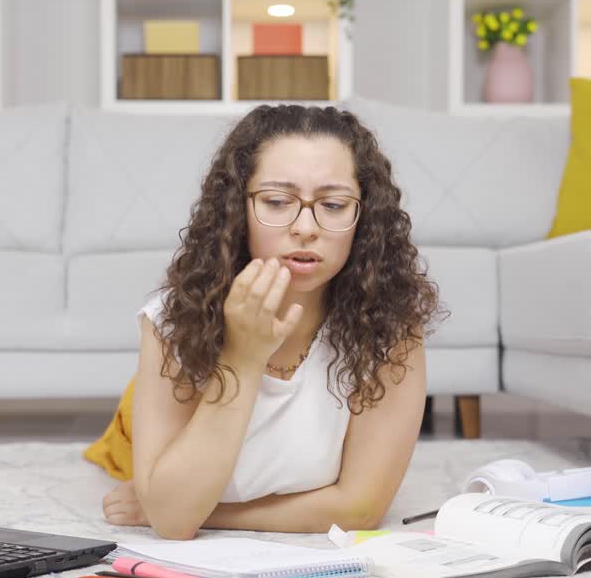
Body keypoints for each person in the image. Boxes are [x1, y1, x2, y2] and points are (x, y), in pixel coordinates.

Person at [83, 104, 444, 540]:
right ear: (238, 207)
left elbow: (361, 508)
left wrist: (203, 511)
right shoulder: (168, 320)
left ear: (363, 217)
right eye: (276, 201)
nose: (306, 227)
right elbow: (174, 522)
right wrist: (242, 355)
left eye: (332, 205)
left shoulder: (391, 328)